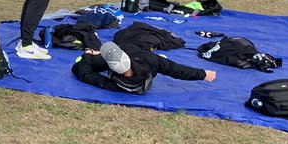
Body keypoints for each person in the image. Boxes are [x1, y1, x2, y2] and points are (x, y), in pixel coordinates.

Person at [72, 41, 215, 94]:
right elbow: (177, 70)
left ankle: (102, 53)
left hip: (128, 52)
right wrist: (203, 74)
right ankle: (107, 52)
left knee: (82, 66)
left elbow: (84, 74)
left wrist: (88, 55)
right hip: (137, 57)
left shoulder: (115, 84)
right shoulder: (150, 60)